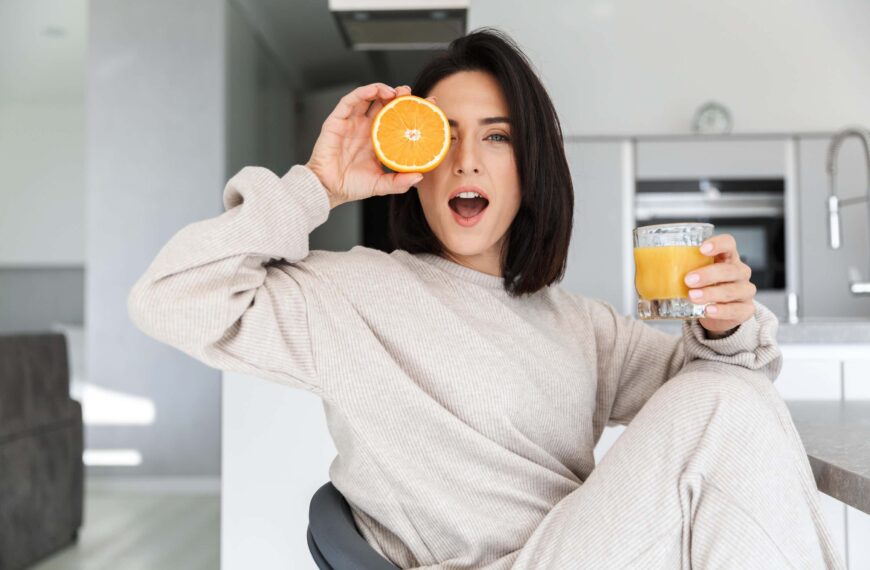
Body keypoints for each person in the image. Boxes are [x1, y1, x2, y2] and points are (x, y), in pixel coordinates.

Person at [127, 27, 844, 570]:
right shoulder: (353, 293)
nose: (468, 159)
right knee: (725, 399)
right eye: (446, 138)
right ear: (414, 163)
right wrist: (317, 184)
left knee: (726, 393)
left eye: (497, 138)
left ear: (529, 169)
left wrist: (723, 326)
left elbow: (726, 407)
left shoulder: (579, 325)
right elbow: (170, 297)